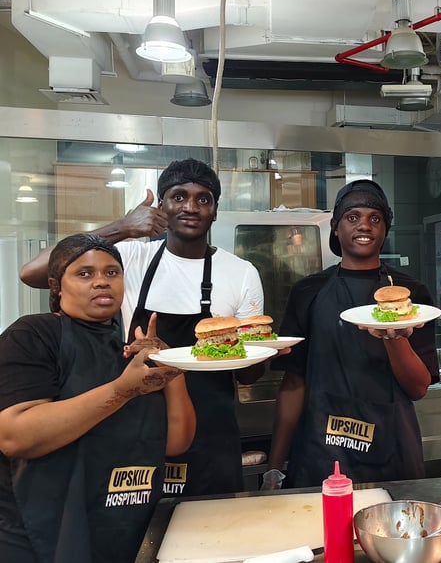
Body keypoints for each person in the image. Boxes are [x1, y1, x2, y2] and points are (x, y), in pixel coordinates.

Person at [19, 159, 266, 497]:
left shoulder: (241, 272)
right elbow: (32, 273)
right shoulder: (129, 256)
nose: (191, 207)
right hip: (133, 424)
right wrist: (122, 227)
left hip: (212, 433)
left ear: (215, 211)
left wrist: (259, 351)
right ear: (161, 205)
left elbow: (249, 376)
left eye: (203, 199)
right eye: (178, 197)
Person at [0, 234, 195, 563]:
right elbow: (15, 435)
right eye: (85, 273)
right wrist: (123, 390)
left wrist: (171, 367)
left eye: (112, 272)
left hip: (121, 530)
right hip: (36, 536)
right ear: (56, 286)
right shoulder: (32, 335)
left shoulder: (131, 351)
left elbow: (175, 442)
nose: (102, 282)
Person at [263, 179, 439, 489]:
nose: (365, 225)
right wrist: (274, 470)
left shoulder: (410, 295)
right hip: (320, 449)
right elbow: (293, 384)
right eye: (353, 216)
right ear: (335, 227)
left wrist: (393, 335)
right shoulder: (308, 291)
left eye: (375, 218)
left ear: (385, 229)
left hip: (391, 451)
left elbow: (418, 388)